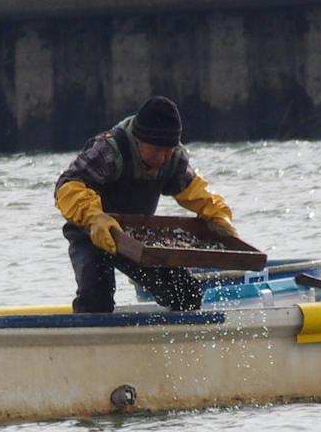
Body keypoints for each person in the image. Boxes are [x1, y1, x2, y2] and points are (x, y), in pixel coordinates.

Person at [54, 96, 239, 313]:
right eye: (156, 151)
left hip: (135, 238)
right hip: (91, 233)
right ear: (138, 140)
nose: (162, 158)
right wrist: (95, 217)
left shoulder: (173, 157)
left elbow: (196, 191)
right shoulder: (109, 150)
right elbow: (67, 185)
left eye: (168, 151)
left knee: (187, 293)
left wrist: (219, 215)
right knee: (96, 298)